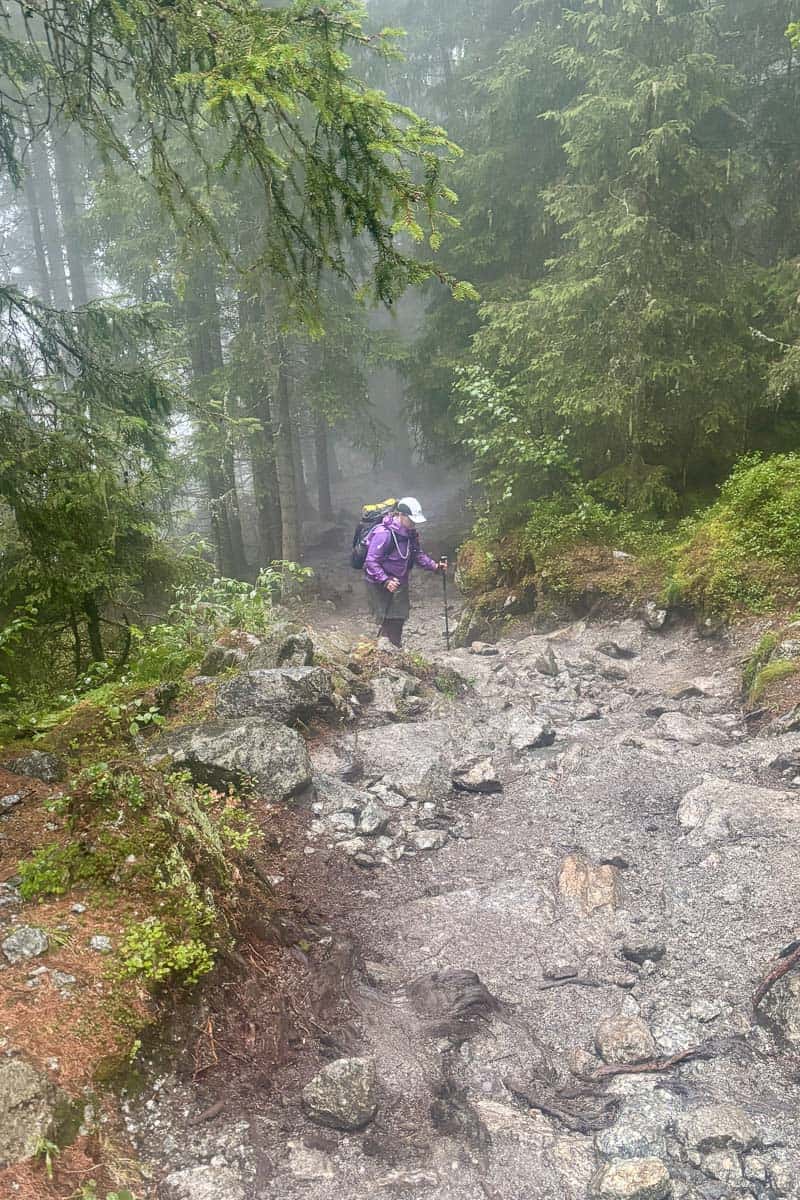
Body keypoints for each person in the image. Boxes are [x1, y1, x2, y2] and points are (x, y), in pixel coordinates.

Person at [363, 497, 446, 648]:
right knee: (386, 618)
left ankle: (392, 648)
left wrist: (434, 566)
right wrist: (385, 580)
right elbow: (371, 561)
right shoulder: (384, 533)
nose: (414, 524)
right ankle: (384, 650)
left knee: (399, 616)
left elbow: (417, 554)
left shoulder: (410, 534)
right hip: (378, 583)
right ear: (401, 515)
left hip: (399, 582)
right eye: (412, 520)